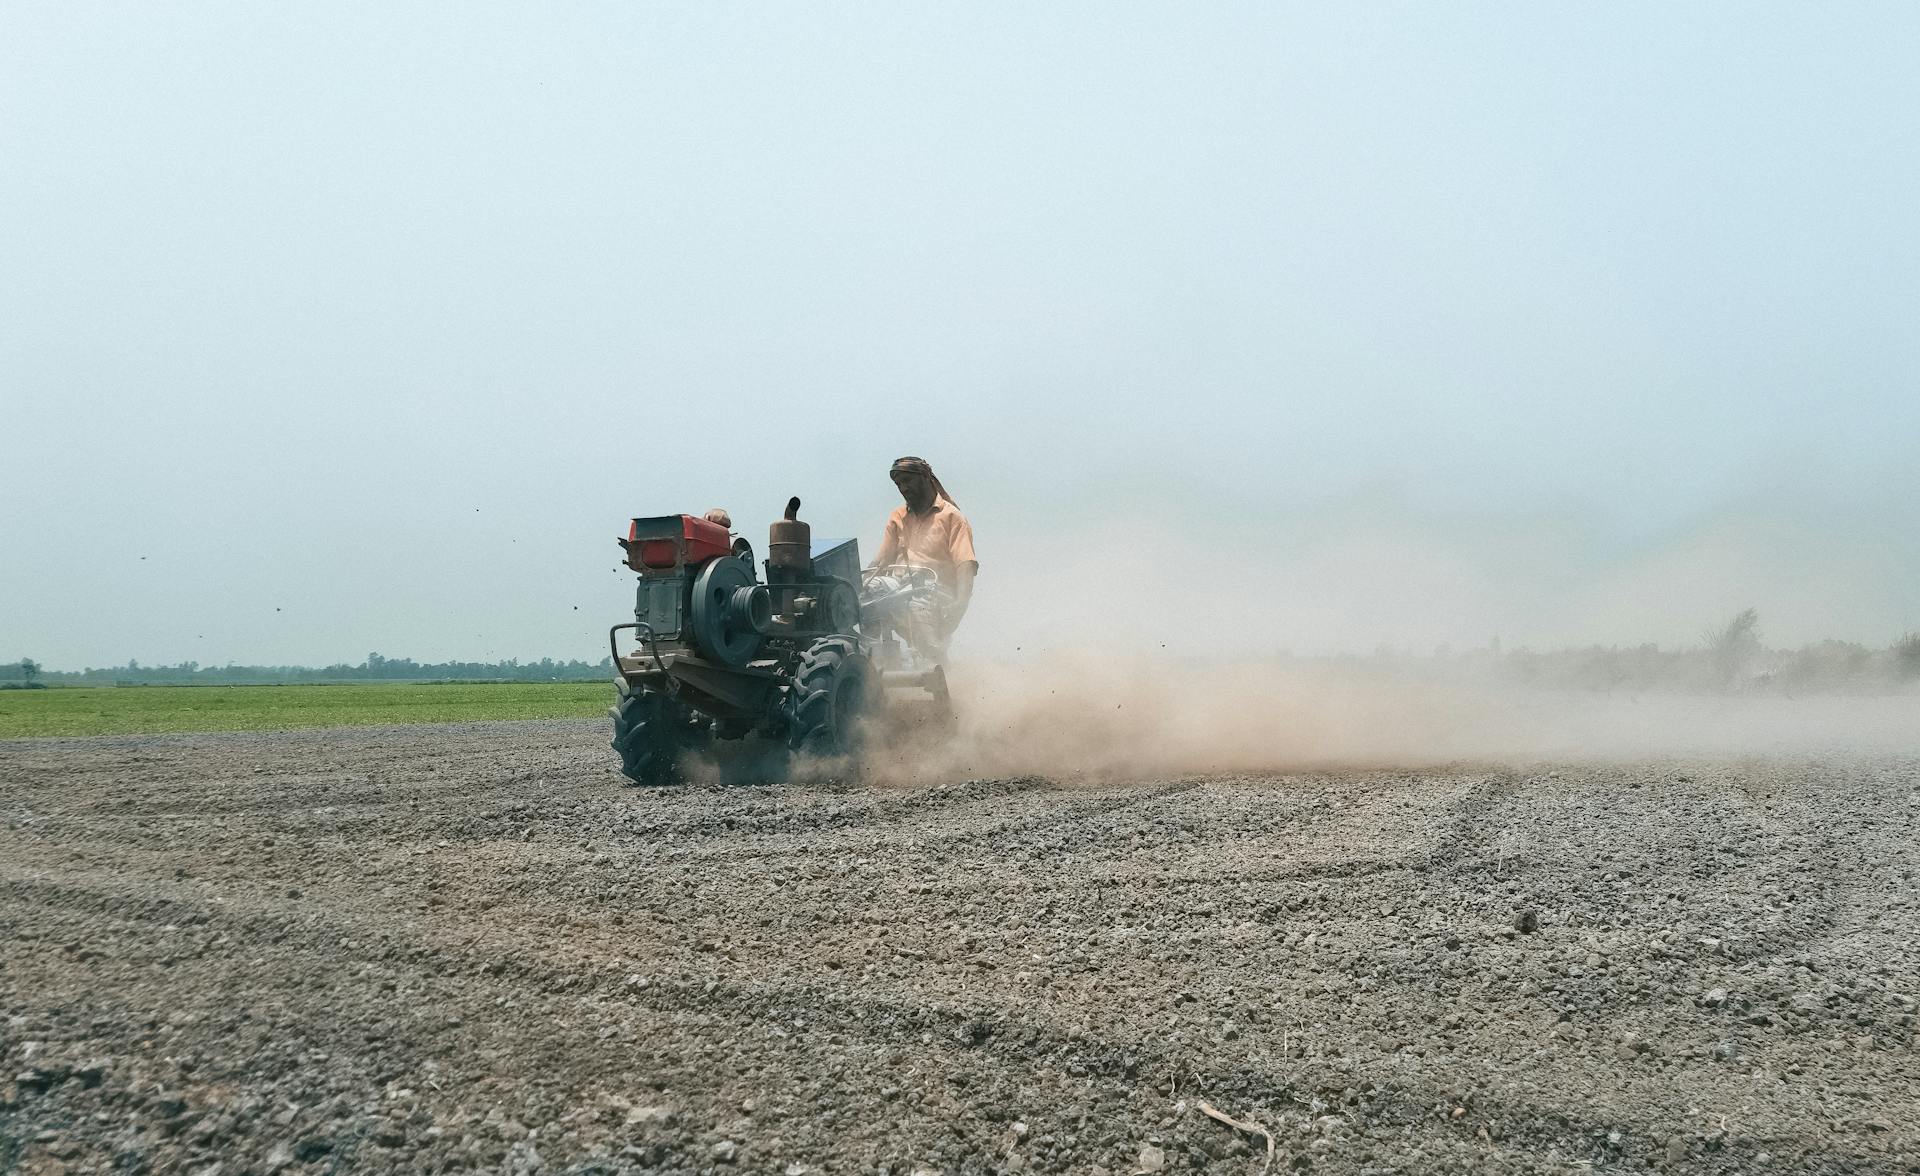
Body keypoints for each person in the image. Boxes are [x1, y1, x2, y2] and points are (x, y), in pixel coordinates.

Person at [868, 456, 977, 659]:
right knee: (862, 596)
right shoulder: (897, 517)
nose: (903, 488)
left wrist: (961, 603)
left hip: (935, 591)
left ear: (926, 477)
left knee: (917, 608)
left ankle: (938, 665)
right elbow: (880, 562)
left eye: (908, 481)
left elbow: (965, 565)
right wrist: (858, 586)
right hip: (896, 587)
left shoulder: (952, 517)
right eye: (898, 483)